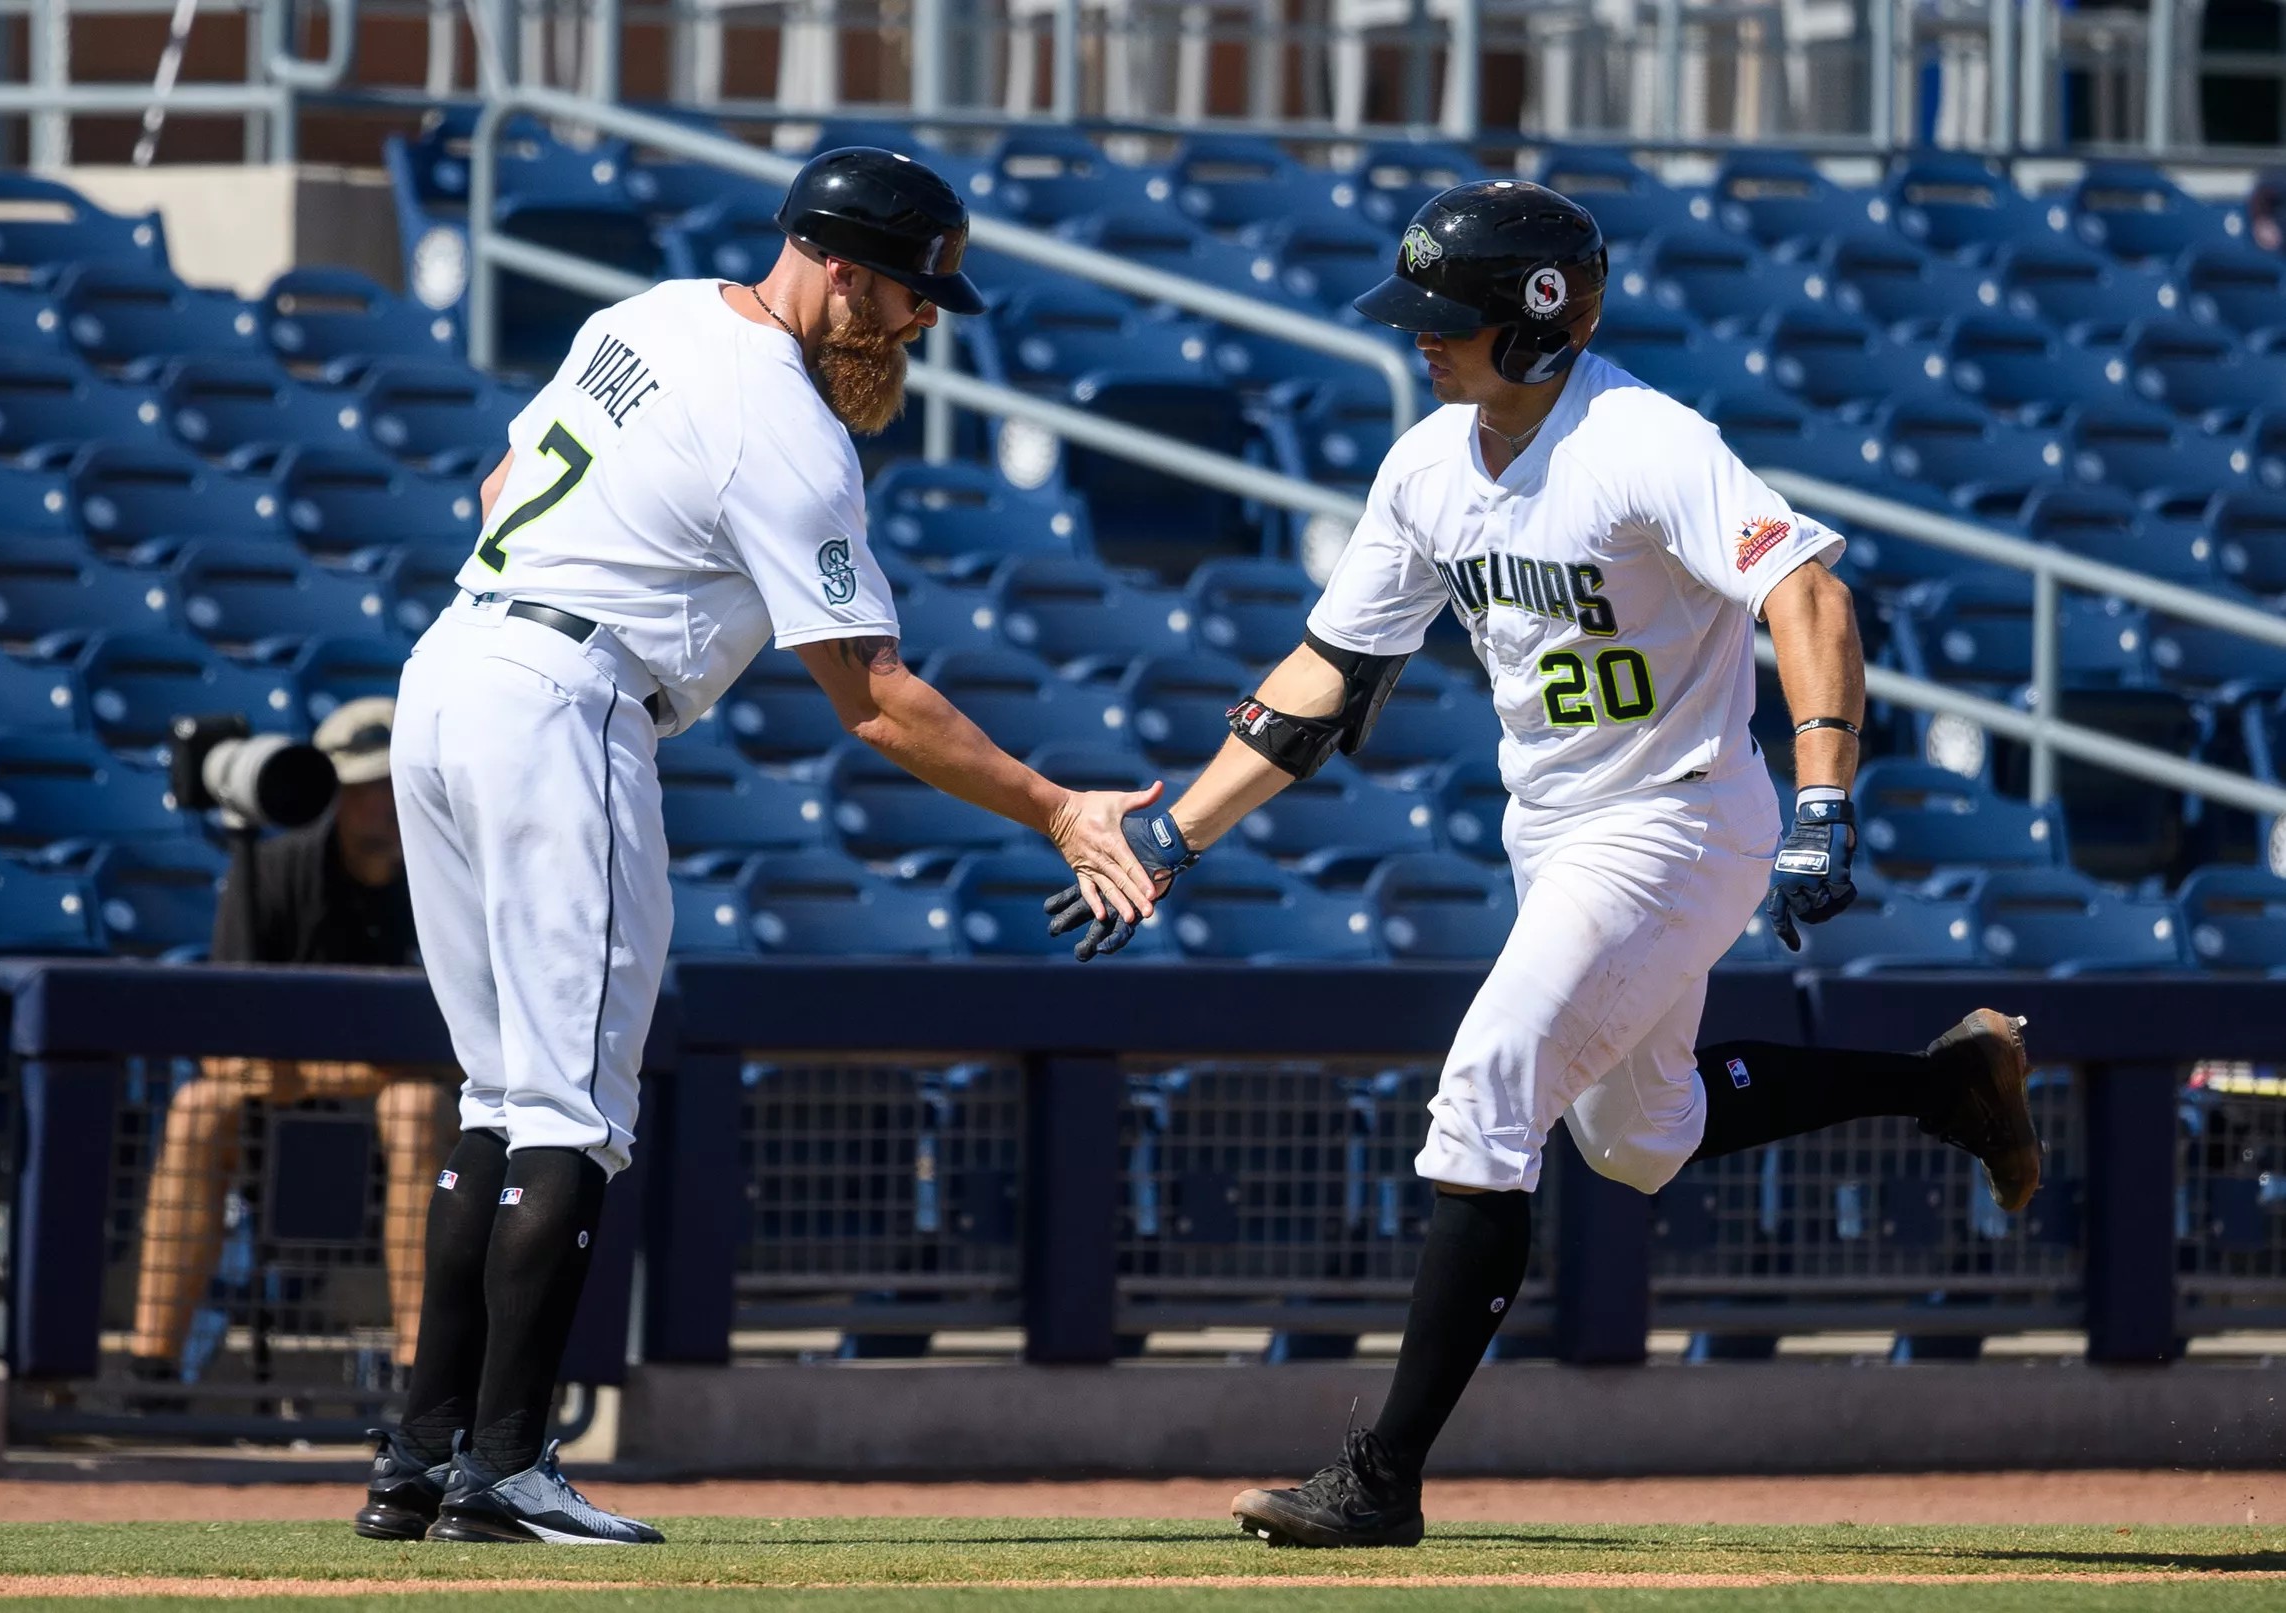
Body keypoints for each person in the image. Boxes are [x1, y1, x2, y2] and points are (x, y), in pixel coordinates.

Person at [1042, 180, 2044, 1547]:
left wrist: (1824, 794)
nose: (1421, 339)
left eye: (1448, 318)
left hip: (1682, 817)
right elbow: (1330, 674)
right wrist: (1176, 836)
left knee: (1487, 1086)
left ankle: (1380, 1478)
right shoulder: (1426, 465)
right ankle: (1947, 1084)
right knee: (1640, 1140)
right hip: (1557, 829)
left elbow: (1808, 591)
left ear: (1542, 324)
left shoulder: (1639, 442)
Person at [363, 147, 1163, 1546]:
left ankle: (419, 1462)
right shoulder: (787, 427)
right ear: (843, 271)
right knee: (571, 1109)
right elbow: (878, 705)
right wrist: (1057, 807)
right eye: (913, 294)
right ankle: (503, 1471)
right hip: (566, 703)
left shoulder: (650, 314)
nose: (925, 320)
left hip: (448, 675)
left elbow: (497, 488)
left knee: (499, 1094)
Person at [129, 698, 452, 1387]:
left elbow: (455, 1049)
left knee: (415, 1105)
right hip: (270, 1129)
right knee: (197, 1108)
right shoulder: (270, 871)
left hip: (403, 1134)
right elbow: (225, 1047)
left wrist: (312, 1076)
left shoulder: (452, 878)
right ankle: (151, 1366)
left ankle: (417, 1377)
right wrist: (331, 1074)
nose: (385, 804)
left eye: (397, 783)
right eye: (367, 787)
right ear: (335, 792)